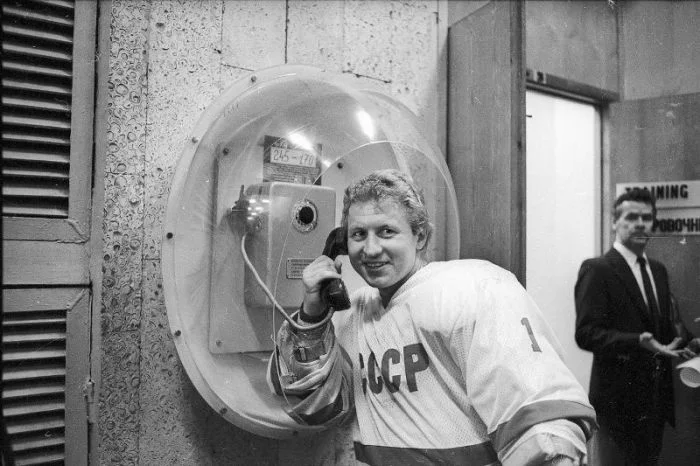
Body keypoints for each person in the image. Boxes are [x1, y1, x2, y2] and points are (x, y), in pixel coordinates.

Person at [269, 169, 596, 465]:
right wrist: (312, 316)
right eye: (358, 235)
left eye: (386, 231)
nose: (370, 249)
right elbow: (317, 408)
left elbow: (539, 417)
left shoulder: (471, 289)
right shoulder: (353, 314)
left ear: (420, 236)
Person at [574, 188, 700, 465]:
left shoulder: (658, 270)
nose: (640, 224)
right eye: (632, 217)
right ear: (614, 222)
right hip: (615, 407)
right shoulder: (598, 269)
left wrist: (690, 342)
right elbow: (586, 334)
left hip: (655, 405)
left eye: (646, 218)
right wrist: (636, 341)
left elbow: (665, 329)